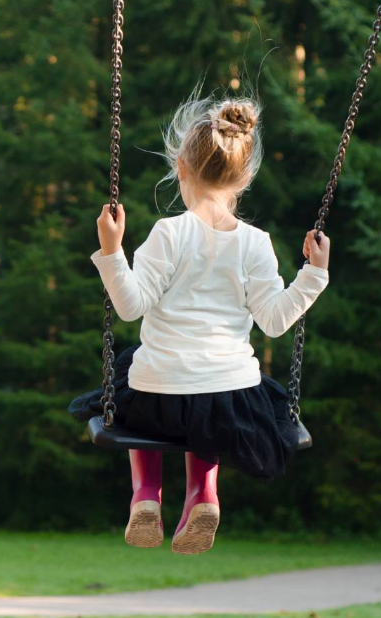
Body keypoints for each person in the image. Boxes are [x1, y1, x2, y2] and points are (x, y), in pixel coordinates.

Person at [68, 90, 331, 555]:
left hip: (158, 396)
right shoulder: (256, 242)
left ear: (181, 170)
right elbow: (274, 322)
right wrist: (313, 274)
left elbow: (129, 306)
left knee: (135, 374)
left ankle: (146, 494)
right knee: (209, 406)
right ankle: (203, 495)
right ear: (244, 177)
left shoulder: (168, 233)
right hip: (229, 399)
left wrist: (112, 251)